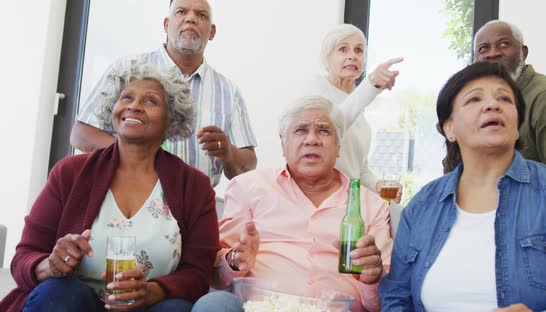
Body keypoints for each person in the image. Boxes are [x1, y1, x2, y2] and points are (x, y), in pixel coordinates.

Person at [0, 61, 220, 311]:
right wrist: (50, 265)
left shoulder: (195, 186)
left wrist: (151, 292)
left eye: (150, 101)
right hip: (74, 302)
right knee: (58, 290)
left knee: (175, 308)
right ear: (113, 109)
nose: (134, 106)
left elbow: (198, 274)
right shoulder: (70, 172)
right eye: (126, 97)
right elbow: (24, 256)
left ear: (171, 119)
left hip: (150, 306)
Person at [379, 62, 546, 311]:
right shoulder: (422, 207)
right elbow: (397, 296)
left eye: (504, 98)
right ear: (449, 129)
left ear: (517, 128)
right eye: (474, 99)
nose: (492, 105)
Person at [192, 96, 393, 312]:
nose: (312, 140)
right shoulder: (248, 188)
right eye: (301, 130)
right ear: (283, 143)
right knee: (213, 305)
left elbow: (382, 303)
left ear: (338, 146)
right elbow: (216, 278)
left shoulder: (371, 205)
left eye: (324, 131)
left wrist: (371, 278)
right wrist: (234, 261)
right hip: (259, 308)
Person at [71, 0, 257, 187]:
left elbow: (248, 165)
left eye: (201, 15)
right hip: (126, 194)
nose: (190, 19)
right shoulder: (128, 70)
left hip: (194, 205)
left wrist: (227, 152)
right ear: (166, 25)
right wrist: (138, 158)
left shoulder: (228, 91)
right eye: (181, 12)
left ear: (212, 32)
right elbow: (81, 134)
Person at [472, 20, 546, 183]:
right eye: (483, 48)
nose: (493, 53)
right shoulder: (478, 106)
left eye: (504, 44)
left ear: (523, 52)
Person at [306, 24, 404, 201]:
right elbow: (329, 127)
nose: (352, 55)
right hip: (320, 200)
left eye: (358, 50)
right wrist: (370, 85)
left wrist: (377, 185)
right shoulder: (315, 93)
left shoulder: (358, 105)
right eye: (343, 49)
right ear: (327, 58)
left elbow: (360, 171)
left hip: (349, 202)